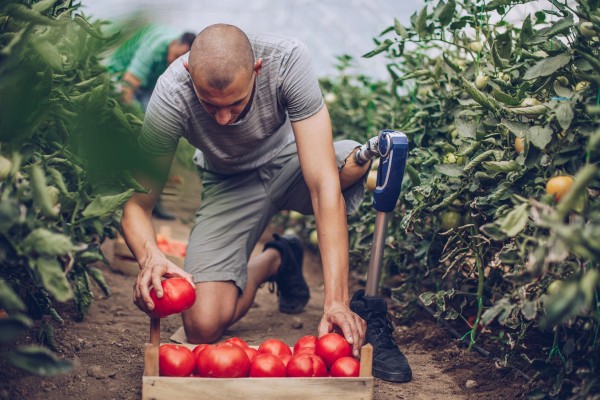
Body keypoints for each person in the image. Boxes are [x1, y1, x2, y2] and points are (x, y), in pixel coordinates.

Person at [121, 23, 411, 382]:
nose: (224, 119)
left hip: (296, 163)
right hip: (230, 182)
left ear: (258, 69)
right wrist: (150, 255)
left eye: (236, 103)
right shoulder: (171, 93)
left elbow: (322, 184)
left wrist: (336, 300)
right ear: (188, 72)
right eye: (210, 106)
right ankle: (276, 259)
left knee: (347, 165)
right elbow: (137, 204)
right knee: (201, 325)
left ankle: (357, 159)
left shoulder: (287, 59)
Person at [108, 24, 195, 220]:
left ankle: (150, 199)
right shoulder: (155, 45)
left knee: (162, 135)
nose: (173, 61)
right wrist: (135, 125)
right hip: (118, 77)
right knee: (134, 136)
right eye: (175, 55)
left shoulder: (182, 59)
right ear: (174, 43)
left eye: (179, 60)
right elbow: (128, 87)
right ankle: (116, 196)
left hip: (146, 87)